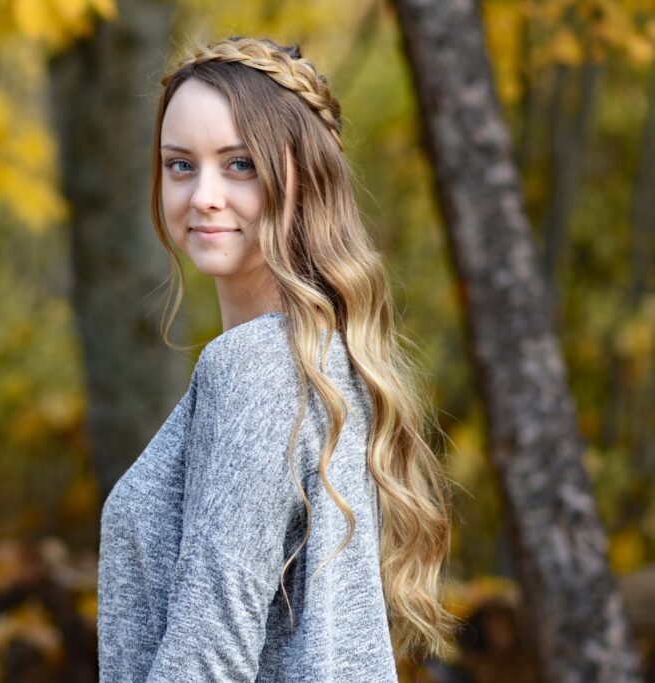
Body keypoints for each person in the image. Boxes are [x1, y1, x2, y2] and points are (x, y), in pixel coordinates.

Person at [97, 36, 457, 681]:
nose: (203, 194)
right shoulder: (321, 356)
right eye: (180, 165)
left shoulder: (256, 370)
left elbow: (209, 656)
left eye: (239, 165)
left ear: (301, 179)